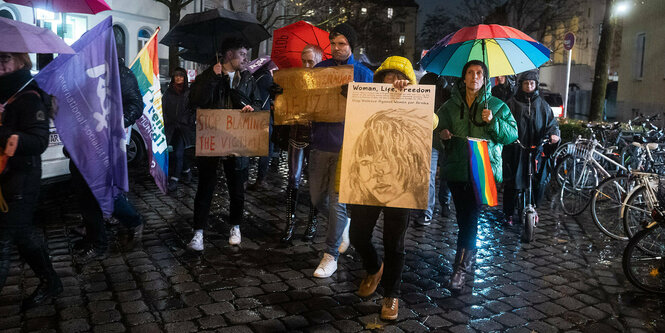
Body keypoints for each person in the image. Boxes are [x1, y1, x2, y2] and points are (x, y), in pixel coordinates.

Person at [348, 56, 428, 320]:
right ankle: (374, 268)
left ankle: (391, 295)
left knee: (394, 243)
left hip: (400, 191)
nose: (393, 82)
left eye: (398, 77)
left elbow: (433, 122)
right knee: (358, 234)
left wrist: (412, 94)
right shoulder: (369, 111)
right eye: (388, 77)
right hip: (367, 188)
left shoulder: (413, 106)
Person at [435, 60, 518, 292]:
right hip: (456, 170)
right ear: (464, 78)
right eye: (470, 72)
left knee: (470, 218)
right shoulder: (450, 107)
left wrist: (493, 121)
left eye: (479, 73)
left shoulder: (497, 105)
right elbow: (434, 132)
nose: (474, 77)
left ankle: (460, 269)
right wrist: (442, 135)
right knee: (463, 218)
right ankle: (467, 256)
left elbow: (511, 135)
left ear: (485, 78)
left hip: (482, 171)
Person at [310, 23, 373, 278]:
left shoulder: (364, 74)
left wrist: (355, 97)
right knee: (317, 199)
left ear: (351, 46)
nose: (336, 48)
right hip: (320, 142)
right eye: (333, 43)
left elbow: (370, 111)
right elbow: (307, 99)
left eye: (342, 44)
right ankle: (342, 225)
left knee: (337, 201)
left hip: (348, 146)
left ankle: (330, 255)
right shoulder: (319, 70)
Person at [0, 52, 62, 310]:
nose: (0, 65)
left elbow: (38, 142)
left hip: (21, 180)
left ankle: (51, 282)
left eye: (5, 59)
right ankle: (51, 282)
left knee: (3, 238)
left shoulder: (30, 96)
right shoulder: (4, 94)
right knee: (22, 234)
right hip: (4, 177)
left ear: (21, 61)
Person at [187, 38, 262, 251]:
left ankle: (235, 226)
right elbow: (195, 101)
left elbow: (256, 102)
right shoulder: (208, 75)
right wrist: (212, 76)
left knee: (237, 188)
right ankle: (198, 232)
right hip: (212, 137)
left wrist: (252, 109)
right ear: (229, 55)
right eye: (242, 54)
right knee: (205, 187)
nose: (246, 59)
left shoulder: (247, 78)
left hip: (237, 139)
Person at [72, 57, 145, 263]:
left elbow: (136, 104)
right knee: (85, 194)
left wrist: (116, 123)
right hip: (81, 143)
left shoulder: (121, 73)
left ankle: (132, 222)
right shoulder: (82, 71)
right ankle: (94, 238)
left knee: (104, 191)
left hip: (106, 143)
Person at [502, 70, 560, 224]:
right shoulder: (511, 103)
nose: (529, 86)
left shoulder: (543, 105)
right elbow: (504, 123)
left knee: (538, 181)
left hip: (536, 150)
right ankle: (508, 212)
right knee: (511, 182)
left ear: (536, 85)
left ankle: (533, 206)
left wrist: (554, 135)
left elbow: (552, 124)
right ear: (521, 85)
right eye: (526, 83)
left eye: (532, 83)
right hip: (516, 150)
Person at [281, 45, 323, 243]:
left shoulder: (325, 83)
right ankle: (289, 222)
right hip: (296, 135)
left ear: (319, 61)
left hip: (317, 138)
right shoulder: (295, 81)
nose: (306, 65)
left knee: (315, 182)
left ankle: (312, 222)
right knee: (293, 178)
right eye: (303, 61)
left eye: (310, 61)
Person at [415, 72, 453, 225]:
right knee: (428, 175)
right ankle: (427, 211)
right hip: (430, 136)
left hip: (448, 137)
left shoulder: (450, 87)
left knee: (446, 174)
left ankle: (445, 203)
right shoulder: (426, 81)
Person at [247, 57, 277, 190]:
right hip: (264, 117)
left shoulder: (251, 78)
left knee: (248, 149)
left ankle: (244, 180)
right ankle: (260, 180)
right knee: (266, 150)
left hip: (252, 116)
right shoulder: (267, 78)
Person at [164, 67, 195, 192]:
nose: (178, 78)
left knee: (177, 153)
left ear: (184, 78)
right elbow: (163, 108)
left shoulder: (188, 92)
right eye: (176, 76)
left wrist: (187, 120)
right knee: (178, 152)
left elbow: (192, 110)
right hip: (171, 127)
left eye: (181, 76)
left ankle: (174, 179)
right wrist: (166, 120)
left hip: (183, 128)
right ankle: (187, 171)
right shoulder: (168, 92)